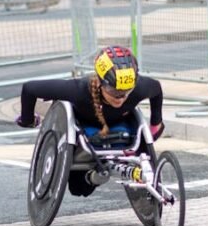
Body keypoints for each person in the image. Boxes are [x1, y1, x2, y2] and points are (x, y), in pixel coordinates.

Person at [17, 46, 164, 197]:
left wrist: (155, 124)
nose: (121, 97)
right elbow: (29, 89)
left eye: (127, 91)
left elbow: (157, 90)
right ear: (100, 82)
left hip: (121, 128)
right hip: (83, 132)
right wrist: (27, 120)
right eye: (114, 91)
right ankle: (93, 177)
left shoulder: (140, 88)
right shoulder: (79, 90)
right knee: (78, 189)